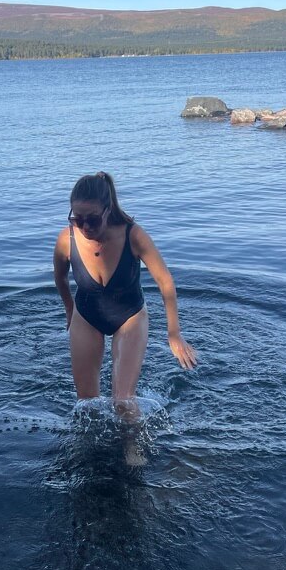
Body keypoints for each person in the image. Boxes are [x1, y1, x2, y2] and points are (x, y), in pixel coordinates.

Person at [53, 172, 197, 414]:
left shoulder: (133, 235)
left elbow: (165, 281)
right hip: (86, 317)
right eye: (78, 219)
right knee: (86, 403)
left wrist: (174, 334)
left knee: (123, 402)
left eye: (93, 219)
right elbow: (59, 277)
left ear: (107, 210)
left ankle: (134, 452)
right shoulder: (66, 239)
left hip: (129, 317)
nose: (86, 227)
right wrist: (70, 310)